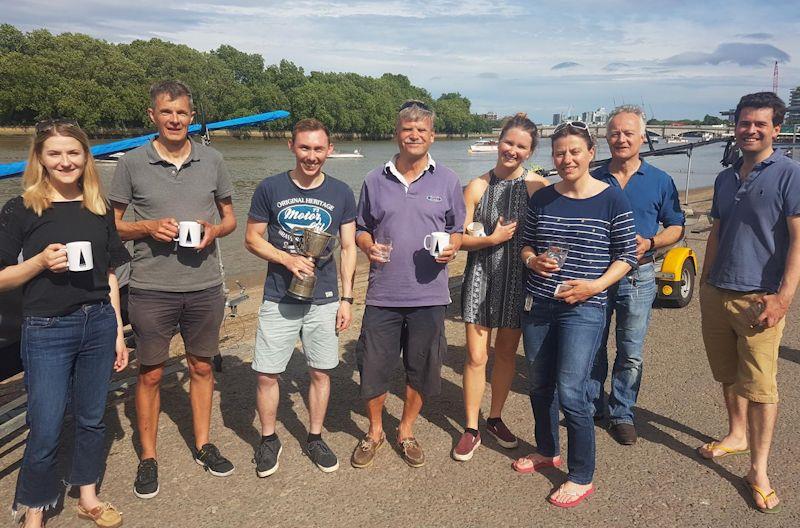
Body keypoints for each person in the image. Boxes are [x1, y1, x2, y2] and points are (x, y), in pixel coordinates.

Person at [109, 80, 237, 499]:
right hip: (150, 286)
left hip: (203, 286)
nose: (175, 120)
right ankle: (148, 457)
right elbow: (112, 227)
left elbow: (230, 219)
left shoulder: (212, 159)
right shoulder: (131, 163)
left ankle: (202, 444)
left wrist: (213, 231)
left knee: (201, 367)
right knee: (151, 373)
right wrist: (146, 227)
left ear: (191, 114)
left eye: (182, 112)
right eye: (167, 112)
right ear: (153, 116)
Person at [0, 120, 129, 528]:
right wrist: (38, 262)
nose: (65, 161)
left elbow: (109, 272)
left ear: (86, 157)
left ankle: (87, 495)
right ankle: (34, 511)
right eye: (54, 153)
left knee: (92, 416)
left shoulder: (99, 206)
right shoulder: (22, 208)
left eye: (74, 153)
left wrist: (118, 333)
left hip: (98, 321)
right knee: (46, 424)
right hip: (46, 328)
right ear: (39, 158)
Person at [516, 121, 637, 508]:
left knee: (572, 392)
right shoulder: (543, 198)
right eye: (559, 153)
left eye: (574, 152)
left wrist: (595, 286)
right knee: (539, 385)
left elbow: (628, 255)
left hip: (584, 307)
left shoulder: (611, 199)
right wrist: (533, 260)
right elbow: (526, 243)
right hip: (540, 304)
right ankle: (547, 450)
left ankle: (581, 474)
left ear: (590, 154)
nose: (566, 159)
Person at [698, 92, 800, 514]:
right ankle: (736, 434)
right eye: (744, 123)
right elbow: (718, 232)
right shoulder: (724, 178)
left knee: (760, 387)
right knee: (728, 374)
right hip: (718, 291)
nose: (750, 130)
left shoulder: (790, 174)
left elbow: (798, 241)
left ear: (777, 128)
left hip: (760, 298)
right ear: (735, 127)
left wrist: (783, 298)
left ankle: (758, 469)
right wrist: (704, 282)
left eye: (760, 123)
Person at [351, 100, 465, 468]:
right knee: (373, 367)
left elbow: (457, 229)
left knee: (422, 366)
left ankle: (406, 430)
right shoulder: (374, 178)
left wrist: (452, 249)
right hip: (383, 293)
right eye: (407, 129)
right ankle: (374, 432)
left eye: (421, 130)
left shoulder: (447, 179)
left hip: (429, 295)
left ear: (432, 136)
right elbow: (361, 228)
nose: (414, 135)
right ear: (396, 134)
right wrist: (367, 246)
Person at [244, 118, 357, 475]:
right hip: (279, 296)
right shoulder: (270, 187)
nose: (311, 156)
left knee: (320, 372)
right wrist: (286, 259)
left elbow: (350, 246)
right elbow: (251, 238)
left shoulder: (341, 192)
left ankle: (314, 436)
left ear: (329, 150)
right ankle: (267, 439)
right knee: (266, 374)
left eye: (318, 149)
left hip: (324, 299)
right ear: (291, 146)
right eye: (304, 148)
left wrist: (347, 298)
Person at [588, 105, 685, 445]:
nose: (621, 139)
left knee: (630, 349)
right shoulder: (593, 176)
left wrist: (653, 241)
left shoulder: (660, 181)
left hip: (638, 276)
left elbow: (677, 226)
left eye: (628, 133)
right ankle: (591, 404)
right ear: (605, 137)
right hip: (596, 274)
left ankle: (622, 411)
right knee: (592, 345)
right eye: (614, 133)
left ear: (642, 137)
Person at [454, 113, 548, 461]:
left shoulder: (537, 187)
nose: (513, 150)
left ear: (530, 151)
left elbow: (548, 231)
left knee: (506, 354)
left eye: (521, 146)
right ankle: (470, 427)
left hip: (519, 280)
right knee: (477, 356)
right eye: (508, 142)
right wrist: (490, 239)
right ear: (498, 142)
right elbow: (459, 239)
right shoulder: (477, 186)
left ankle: (494, 418)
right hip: (480, 276)